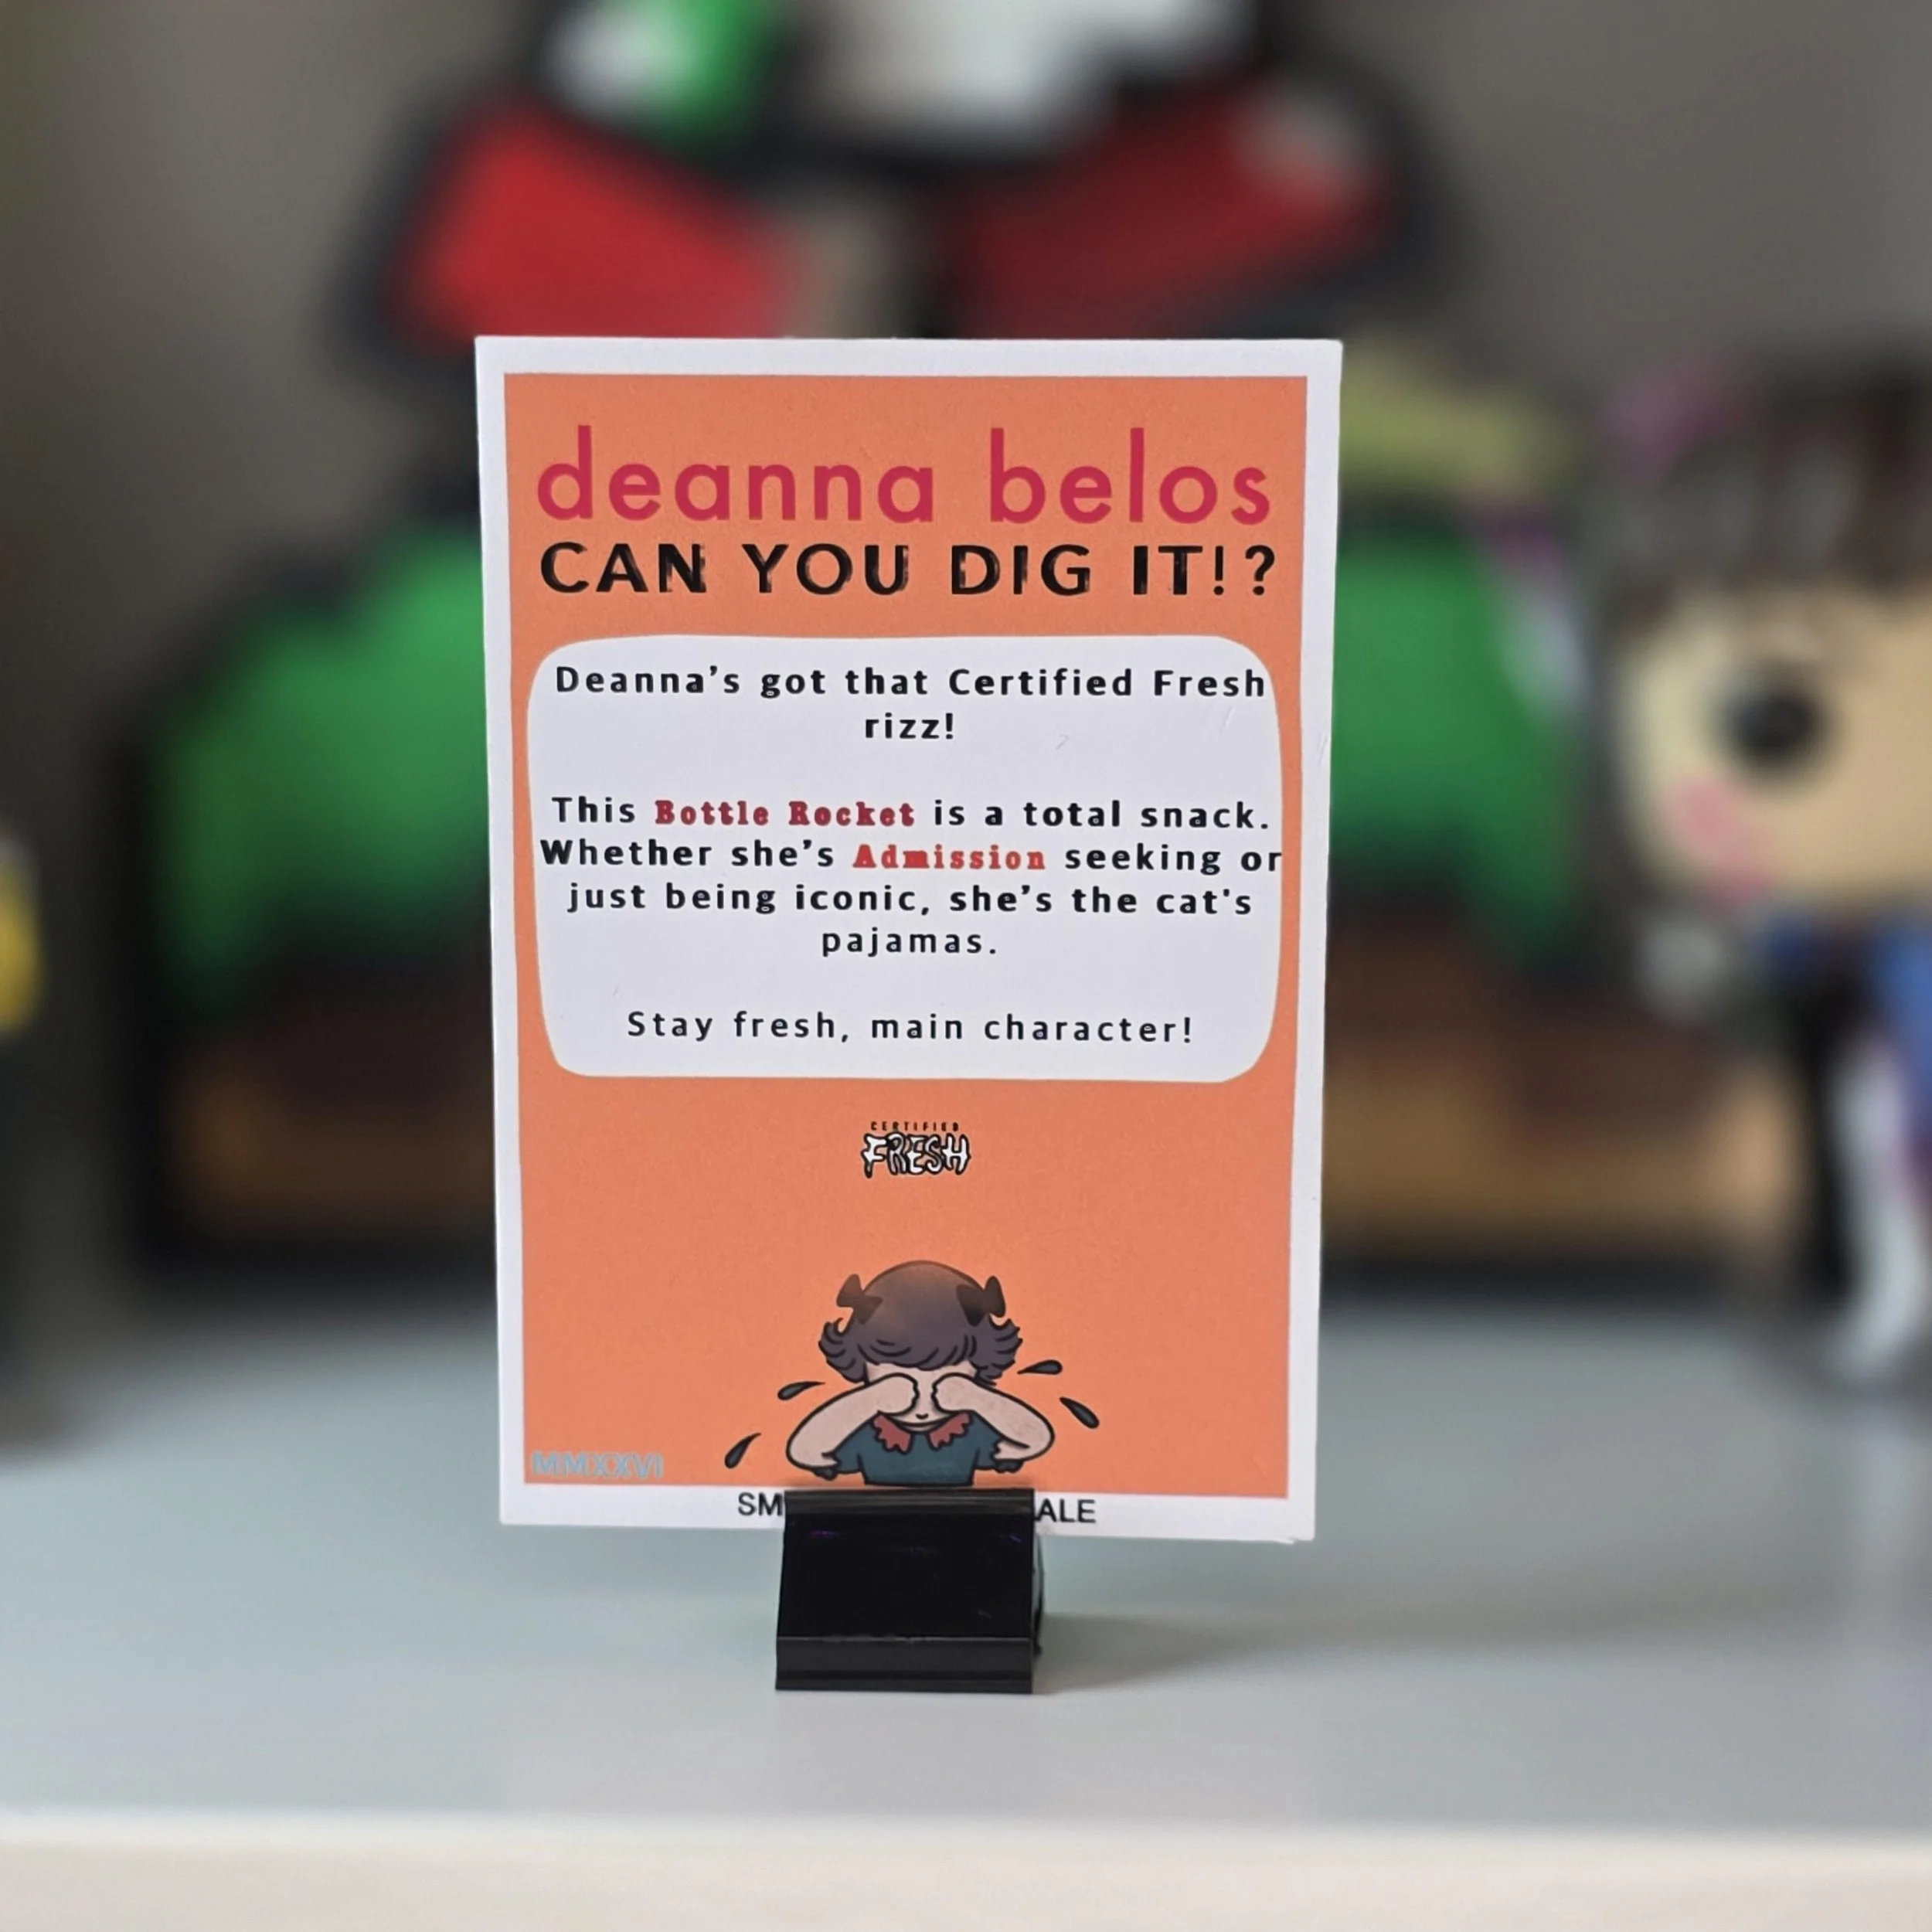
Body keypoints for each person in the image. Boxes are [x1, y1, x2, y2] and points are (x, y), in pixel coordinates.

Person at [785, 1260, 1054, 1484]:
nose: (922, 1407)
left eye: (947, 1383)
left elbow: (1034, 1440)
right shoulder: (866, 1431)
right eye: (897, 1383)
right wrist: (870, 1400)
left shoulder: (970, 1430)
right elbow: (806, 1452)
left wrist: (976, 1398)